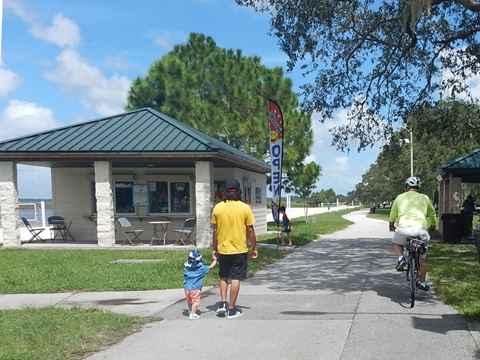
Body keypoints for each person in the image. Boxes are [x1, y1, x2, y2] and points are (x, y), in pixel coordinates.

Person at [211, 179, 258, 319]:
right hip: (239, 249)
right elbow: (250, 230)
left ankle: (223, 303)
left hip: (223, 249)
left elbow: (215, 231)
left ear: (224, 191)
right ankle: (232, 309)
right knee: (236, 278)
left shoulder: (218, 208)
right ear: (239, 191)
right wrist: (254, 246)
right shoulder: (245, 208)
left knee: (223, 276)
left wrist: (214, 248)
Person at [389, 176, 436, 292]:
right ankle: (423, 283)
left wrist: (391, 224)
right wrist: (433, 225)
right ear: (419, 188)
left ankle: (401, 258)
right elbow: (432, 213)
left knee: (396, 242)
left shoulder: (399, 197)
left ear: (406, 187)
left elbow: (393, 214)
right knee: (422, 260)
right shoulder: (425, 198)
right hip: (421, 231)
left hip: (403, 230)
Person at [183, 249, 217, 320]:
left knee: (189, 301)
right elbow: (211, 266)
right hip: (195, 289)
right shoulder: (202, 268)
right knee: (195, 302)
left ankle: (191, 311)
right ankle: (192, 314)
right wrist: (215, 260)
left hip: (186, 288)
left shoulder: (186, 268)